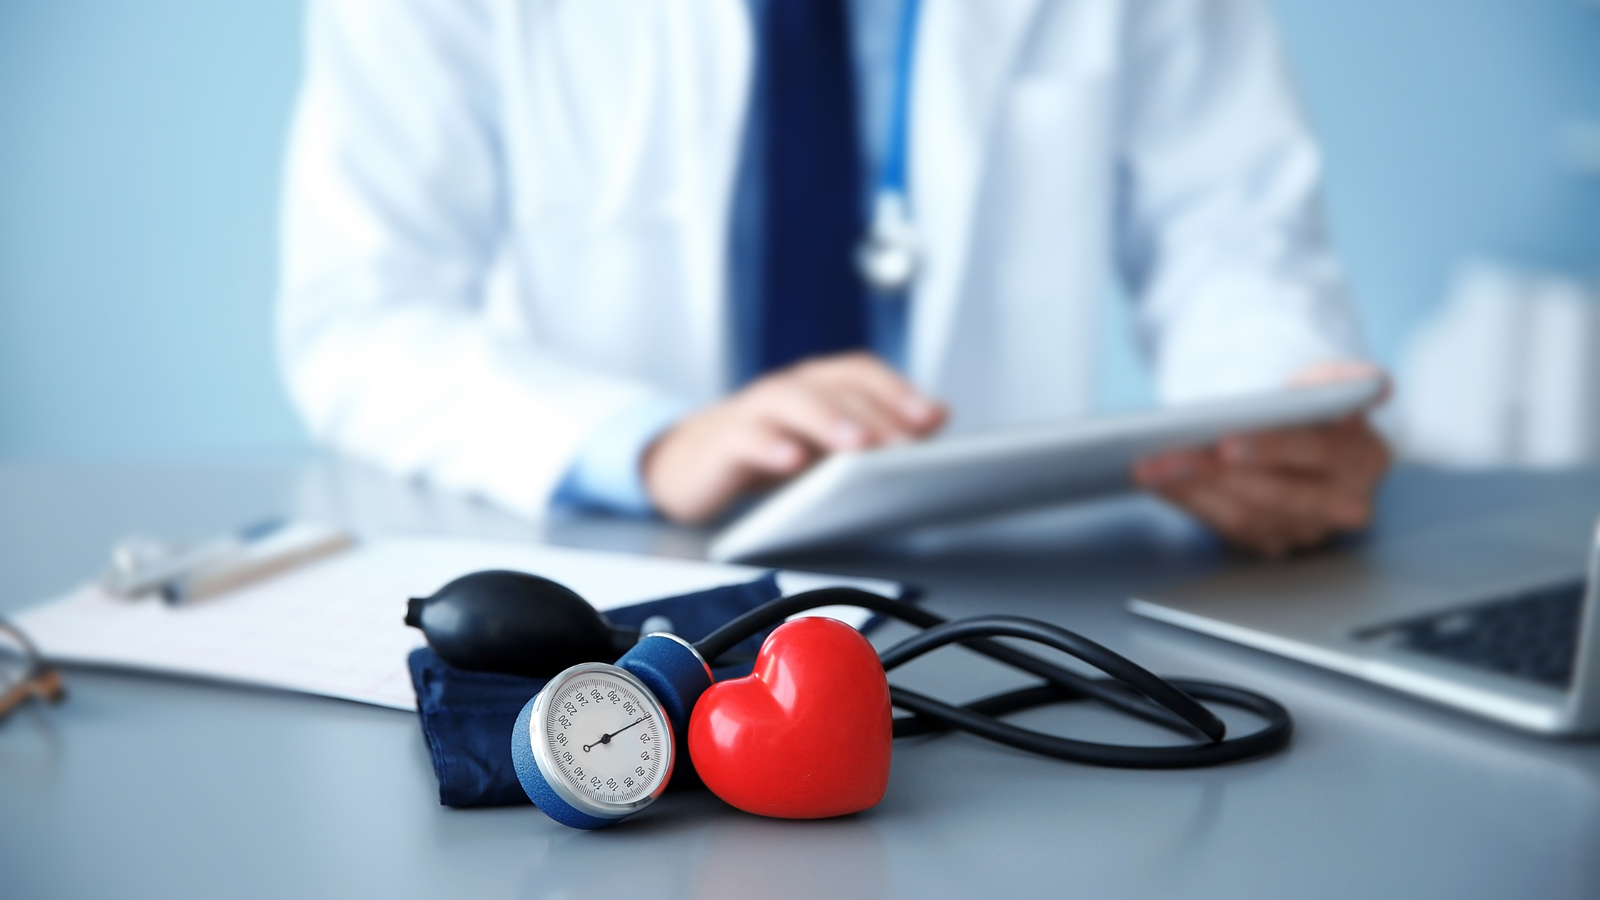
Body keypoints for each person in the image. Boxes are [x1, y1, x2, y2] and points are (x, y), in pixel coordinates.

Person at [277, 0, 1390, 558]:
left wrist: (1267, 411)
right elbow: (364, 315)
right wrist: (652, 440)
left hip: (1007, 587)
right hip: (612, 577)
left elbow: (1230, 232)